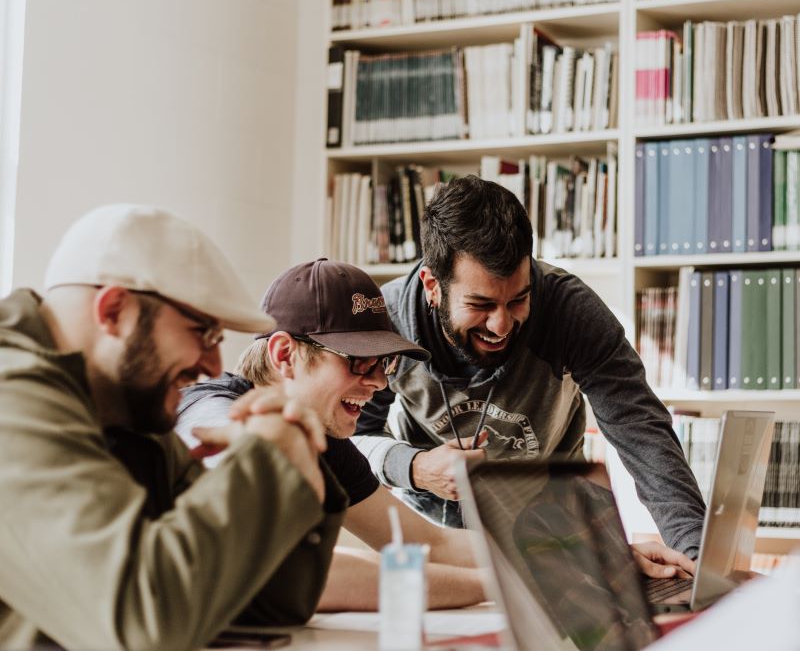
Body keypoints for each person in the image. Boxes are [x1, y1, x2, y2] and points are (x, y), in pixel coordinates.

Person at [0, 204, 347, 651]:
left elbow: (267, 604)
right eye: (203, 332)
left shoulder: (127, 409)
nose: (214, 365)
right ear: (114, 312)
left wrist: (295, 457)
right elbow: (144, 621)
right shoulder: (14, 400)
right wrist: (271, 459)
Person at [353, 174, 707, 564]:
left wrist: (696, 557)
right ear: (432, 285)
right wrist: (414, 467)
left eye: (518, 300)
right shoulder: (387, 323)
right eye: (481, 305)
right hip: (433, 536)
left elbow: (643, 433)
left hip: (552, 528)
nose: (501, 325)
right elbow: (351, 439)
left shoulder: (570, 311)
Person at [177, 257, 488, 611]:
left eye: (384, 363)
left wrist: (541, 558)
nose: (380, 382)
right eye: (359, 360)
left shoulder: (322, 439)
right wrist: (496, 586)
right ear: (284, 355)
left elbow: (427, 544)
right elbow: (294, 572)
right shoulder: (210, 415)